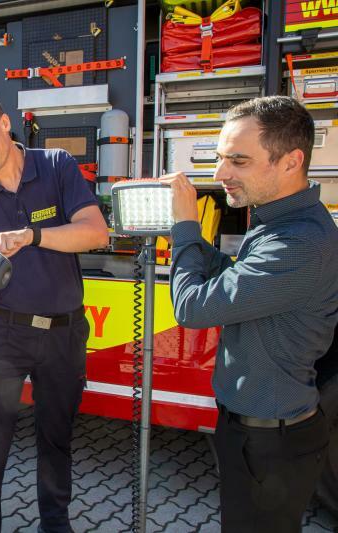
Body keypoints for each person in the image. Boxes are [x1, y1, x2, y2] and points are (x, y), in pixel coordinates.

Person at [162, 95, 338, 532]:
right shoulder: (280, 222)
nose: (221, 174)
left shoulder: (298, 242)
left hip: (271, 444)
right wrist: (197, 245)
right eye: (221, 158)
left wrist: (185, 228)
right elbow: (238, 285)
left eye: (238, 161)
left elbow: (193, 307)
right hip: (255, 432)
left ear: (291, 161)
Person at [0, 88, 109, 533]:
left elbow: (96, 232)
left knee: (56, 441)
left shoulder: (56, 165)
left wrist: (31, 236)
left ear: (4, 124)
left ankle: (55, 525)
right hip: (2, 337)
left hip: (63, 334)